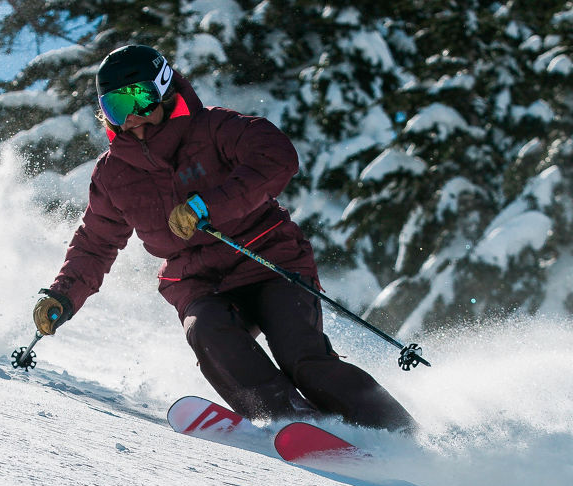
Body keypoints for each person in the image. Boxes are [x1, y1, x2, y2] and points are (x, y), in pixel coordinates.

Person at [33, 44, 417, 433]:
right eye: (117, 106)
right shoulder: (113, 174)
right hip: (197, 281)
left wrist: (208, 206)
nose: (132, 116)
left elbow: (277, 156)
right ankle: (288, 420)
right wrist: (63, 295)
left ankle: (397, 431)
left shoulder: (215, 128)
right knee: (209, 334)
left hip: (268, 261)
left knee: (301, 356)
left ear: (164, 90)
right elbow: (95, 242)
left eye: (141, 99)